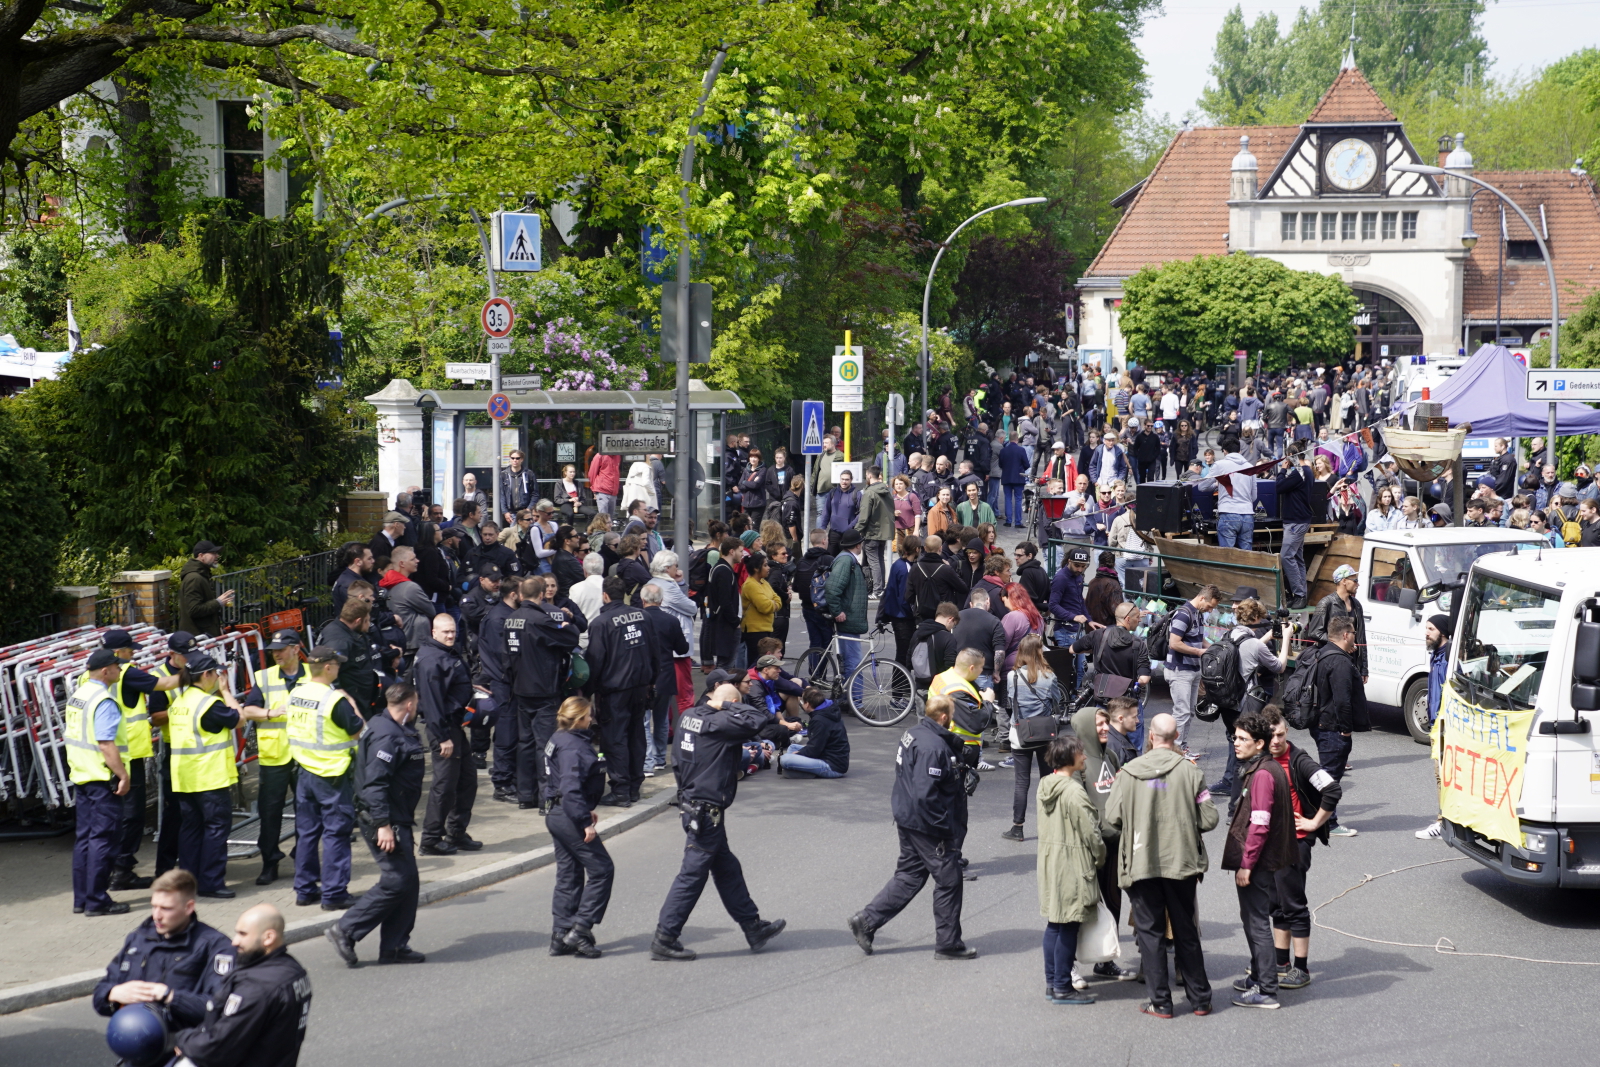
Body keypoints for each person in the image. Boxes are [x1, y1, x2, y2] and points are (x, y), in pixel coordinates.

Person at [651, 683, 787, 961]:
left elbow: (677, 761)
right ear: (732, 702)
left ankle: (752, 926)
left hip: (694, 803)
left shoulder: (690, 716)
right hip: (706, 809)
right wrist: (728, 704)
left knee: (727, 868)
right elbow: (758, 719)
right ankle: (665, 936)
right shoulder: (720, 723)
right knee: (692, 874)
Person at [1103, 712, 1218, 1019]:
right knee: (1186, 931)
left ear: (1151, 736)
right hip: (1182, 863)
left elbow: (1112, 819)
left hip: (1141, 862)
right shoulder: (1191, 772)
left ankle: (1161, 1003)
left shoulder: (1127, 773)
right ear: (1176, 736)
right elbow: (1209, 818)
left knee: (1150, 934)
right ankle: (1201, 1000)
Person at [848, 693, 973, 959]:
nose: (953, 721)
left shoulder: (915, 733)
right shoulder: (932, 747)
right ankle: (948, 944)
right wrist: (944, 830)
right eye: (951, 716)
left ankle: (867, 921)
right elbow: (926, 794)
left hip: (907, 816)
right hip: (926, 823)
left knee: (910, 875)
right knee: (949, 879)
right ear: (943, 717)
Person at [326, 683, 427, 968]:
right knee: (397, 880)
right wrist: (383, 824)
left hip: (396, 816)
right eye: (416, 703)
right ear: (409, 704)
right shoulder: (386, 736)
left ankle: (395, 946)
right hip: (385, 819)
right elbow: (374, 785)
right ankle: (345, 930)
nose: (417, 708)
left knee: (408, 882)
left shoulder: (388, 725)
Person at [88, 629, 184, 891]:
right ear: (116, 654)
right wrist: (194, 675)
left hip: (97, 759)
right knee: (132, 816)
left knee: (107, 818)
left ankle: (109, 870)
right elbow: (162, 685)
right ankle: (121, 871)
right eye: (129, 649)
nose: (133, 653)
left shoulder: (87, 674)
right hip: (127, 756)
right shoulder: (127, 672)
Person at [169, 652, 269, 899]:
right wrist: (225, 693)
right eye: (216, 673)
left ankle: (188, 881)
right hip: (209, 777)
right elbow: (240, 718)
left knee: (190, 830)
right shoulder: (209, 704)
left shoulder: (180, 701)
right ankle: (211, 882)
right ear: (206, 675)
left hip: (184, 777)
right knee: (215, 829)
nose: (219, 677)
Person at [1220, 710, 1297, 1009]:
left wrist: (1247, 864)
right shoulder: (1263, 767)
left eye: (1242, 739)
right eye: (1235, 737)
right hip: (1265, 861)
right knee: (1252, 920)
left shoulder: (1263, 775)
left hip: (1259, 864)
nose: (1236, 743)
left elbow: (1260, 824)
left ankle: (1266, 989)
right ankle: (1259, 978)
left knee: (1257, 923)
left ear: (1260, 743)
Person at [170, 903, 311, 1067]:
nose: (234, 942)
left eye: (243, 934)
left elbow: (218, 1047)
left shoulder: (256, 987)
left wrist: (182, 1039)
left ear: (268, 938)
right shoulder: (294, 969)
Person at [93, 869, 236, 1027]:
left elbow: (221, 1007)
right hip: (133, 1043)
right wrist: (113, 994)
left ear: (189, 907)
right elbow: (101, 991)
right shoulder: (139, 938)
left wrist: (170, 996)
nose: (157, 916)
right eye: (154, 906)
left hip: (184, 1046)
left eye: (166, 908)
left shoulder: (215, 946)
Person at [1262, 707, 1340, 990]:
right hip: (1271, 844)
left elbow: (1332, 789)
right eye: (1270, 736)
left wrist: (1313, 823)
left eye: (1280, 735)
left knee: (1294, 906)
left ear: (1287, 731)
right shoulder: (1263, 758)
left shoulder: (1299, 760)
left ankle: (1302, 968)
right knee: (1276, 905)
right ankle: (1280, 962)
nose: (1275, 741)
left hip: (1294, 844)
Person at [288, 647, 367, 910]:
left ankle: (305, 890)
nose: (340, 668)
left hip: (305, 773)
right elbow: (359, 733)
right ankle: (333, 894)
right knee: (336, 834)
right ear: (329, 667)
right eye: (338, 664)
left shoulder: (296, 693)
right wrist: (353, 705)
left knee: (307, 834)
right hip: (331, 775)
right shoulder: (334, 700)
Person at [541, 696, 615, 958]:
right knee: (602, 870)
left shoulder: (559, 738)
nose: (592, 720)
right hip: (568, 816)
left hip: (558, 812)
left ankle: (560, 936)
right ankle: (580, 929)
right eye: (589, 716)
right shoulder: (574, 747)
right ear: (580, 719)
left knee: (569, 875)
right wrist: (583, 821)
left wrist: (583, 809)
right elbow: (570, 786)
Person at [1035, 734, 1103, 1005]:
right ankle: (1063, 986)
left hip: (1050, 861)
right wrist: (1100, 856)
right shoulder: (1074, 791)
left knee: (1054, 924)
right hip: (1072, 864)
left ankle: (1053, 983)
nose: (1084, 756)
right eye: (1080, 753)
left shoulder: (1045, 784)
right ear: (1069, 758)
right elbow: (1091, 833)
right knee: (1068, 926)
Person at [67, 649, 134, 916]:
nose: (120, 670)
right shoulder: (104, 701)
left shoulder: (78, 696)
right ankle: (97, 901)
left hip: (81, 775)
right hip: (101, 778)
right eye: (117, 667)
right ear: (106, 671)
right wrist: (123, 775)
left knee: (84, 839)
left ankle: (82, 899)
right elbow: (106, 744)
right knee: (103, 841)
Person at [507, 576, 583, 807]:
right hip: (543, 690)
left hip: (520, 688)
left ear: (521, 595)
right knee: (544, 745)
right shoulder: (541, 620)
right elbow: (570, 638)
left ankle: (524, 796)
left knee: (525, 743)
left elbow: (505, 657)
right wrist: (568, 626)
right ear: (541, 595)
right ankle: (546, 798)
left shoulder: (511, 619)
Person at [1209, 598, 1290, 800]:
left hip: (1225, 703)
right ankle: (1239, 805)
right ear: (1255, 618)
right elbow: (1279, 666)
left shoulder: (1227, 636)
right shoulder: (1254, 644)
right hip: (1245, 704)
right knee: (1248, 754)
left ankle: (1236, 799)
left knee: (1237, 746)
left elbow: (1246, 650)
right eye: (1261, 617)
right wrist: (1286, 638)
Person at [242, 631, 304, 885]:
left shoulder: (313, 676)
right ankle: (270, 863)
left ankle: (304, 858)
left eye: (281, 649)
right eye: (273, 650)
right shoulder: (265, 677)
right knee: (270, 814)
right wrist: (269, 713)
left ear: (296, 650)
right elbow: (247, 709)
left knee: (309, 811)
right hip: (274, 756)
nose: (276, 653)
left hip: (305, 756)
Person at [416, 614, 479, 854]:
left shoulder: (445, 653)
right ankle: (431, 839)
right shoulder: (432, 660)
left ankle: (456, 832)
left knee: (467, 781)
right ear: (434, 633)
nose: (451, 636)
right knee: (444, 785)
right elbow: (431, 704)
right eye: (446, 632)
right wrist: (442, 737)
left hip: (454, 726)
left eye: (453, 631)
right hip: (443, 729)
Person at [1000, 635, 1059, 841]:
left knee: (1021, 782)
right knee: (1048, 780)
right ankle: (1051, 825)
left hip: (1021, 733)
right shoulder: (1050, 675)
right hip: (1045, 733)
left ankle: (1018, 827)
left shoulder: (1013, 676)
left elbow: (1011, 701)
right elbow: (1057, 701)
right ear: (1039, 651)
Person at [1309, 615, 1363, 839]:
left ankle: (1317, 816)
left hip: (1320, 721)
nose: (1355, 638)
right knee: (1331, 779)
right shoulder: (1340, 662)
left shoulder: (1323, 653)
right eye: (1353, 634)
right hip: (1332, 726)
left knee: (1325, 774)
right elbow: (1343, 700)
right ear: (1345, 635)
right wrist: (1346, 729)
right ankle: (1327, 823)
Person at [1165, 584, 1218, 750]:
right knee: (1182, 712)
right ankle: (1175, 750)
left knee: (1189, 712)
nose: (1210, 610)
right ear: (1202, 598)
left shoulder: (1198, 614)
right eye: (1209, 606)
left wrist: (1216, 649)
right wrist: (1198, 652)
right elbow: (1174, 643)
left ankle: (1182, 747)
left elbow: (1201, 640)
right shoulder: (1183, 614)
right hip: (1180, 670)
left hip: (1193, 670)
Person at [1416, 614, 1455, 840]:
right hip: (1436, 725)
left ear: (1442, 632)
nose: (1426, 633)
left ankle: (1442, 823)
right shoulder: (1437, 655)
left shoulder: (1448, 655)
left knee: (1443, 775)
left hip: (1445, 726)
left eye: (1430, 629)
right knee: (1441, 774)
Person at [777, 685, 850, 779]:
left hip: (832, 766)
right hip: (827, 754)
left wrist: (798, 754)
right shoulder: (828, 710)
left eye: (802, 701)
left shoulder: (819, 720)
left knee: (785, 760)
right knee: (792, 747)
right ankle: (801, 770)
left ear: (807, 704)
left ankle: (806, 772)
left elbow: (814, 750)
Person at [825, 530, 870, 683]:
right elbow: (832, 588)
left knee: (850, 662)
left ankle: (848, 700)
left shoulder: (847, 559)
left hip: (850, 619)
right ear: (858, 544)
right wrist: (837, 611)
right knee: (853, 663)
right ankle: (855, 702)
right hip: (848, 620)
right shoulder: (845, 561)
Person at [1198, 449, 1258, 550]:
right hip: (1247, 514)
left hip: (1228, 513)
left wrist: (1216, 485)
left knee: (1227, 556)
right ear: (1240, 450)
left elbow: (1202, 486)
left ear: (1224, 451)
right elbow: (1254, 496)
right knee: (1247, 557)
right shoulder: (1250, 467)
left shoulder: (1220, 465)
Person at [178, 541, 235, 637]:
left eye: (217, 553)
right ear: (201, 556)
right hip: (198, 637)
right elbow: (194, 610)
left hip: (203, 634)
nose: (217, 556)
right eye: (213, 553)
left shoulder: (201, 574)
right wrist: (218, 602)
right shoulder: (194, 578)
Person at [855, 465, 894, 598]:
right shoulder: (887, 491)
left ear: (869, 475)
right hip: (883, 532)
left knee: (874, 562)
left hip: (871, 532)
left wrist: (856, 531)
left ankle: (877, 590)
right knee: (880, 560)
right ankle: (880, 588)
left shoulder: (869, 492)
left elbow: (864, 516)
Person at [739, 550, 780, 666]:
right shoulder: (750, 584)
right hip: (754, 631)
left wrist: (773, 603)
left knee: (765, 662)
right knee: (756, 663)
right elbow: (764, 607)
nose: (768, 568)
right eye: (765, 565)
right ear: (757, 569)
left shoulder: (763, 582)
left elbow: (778, 600)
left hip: (766, 628)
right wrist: (773, 604)